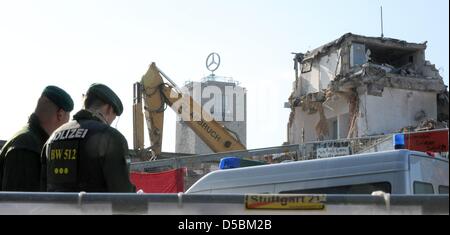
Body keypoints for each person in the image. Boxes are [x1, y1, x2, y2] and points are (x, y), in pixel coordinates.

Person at [42, 83, 136, 192]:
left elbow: (43, 188)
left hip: (56, 208)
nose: (110, 123)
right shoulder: (111, 138)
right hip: (96, 208)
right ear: (109, 109)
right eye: (113, 119)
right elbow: (123, 194)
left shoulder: (52, 138)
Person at [0, 86, 73, 191]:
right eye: (67, 121)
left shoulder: (27, 138)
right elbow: (23, 202)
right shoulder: (27, 146)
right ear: (60, 115)